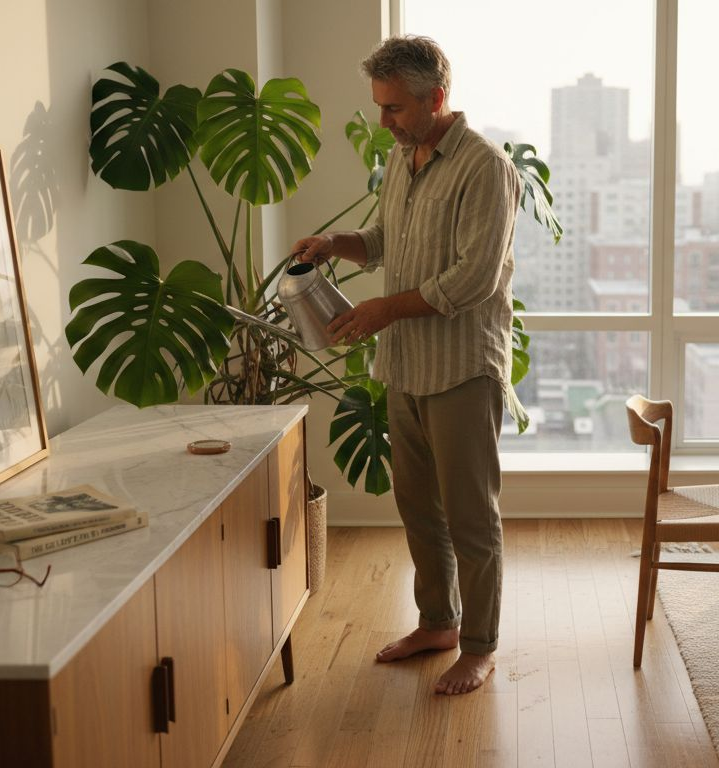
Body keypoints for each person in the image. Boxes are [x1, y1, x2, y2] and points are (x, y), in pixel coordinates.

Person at [288, 35, 520, 696]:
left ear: (435, 98)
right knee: (418, 508)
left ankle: (479, 647)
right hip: (406, 367)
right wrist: (335, 243)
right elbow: (386, 239)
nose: (383, 120)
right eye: (380, 106)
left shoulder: (486, 168)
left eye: (393, 108)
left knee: (470, 517)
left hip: (462, 369)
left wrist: (384, 310)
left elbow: (472, 278)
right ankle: (438, 624)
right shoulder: (401, 157)